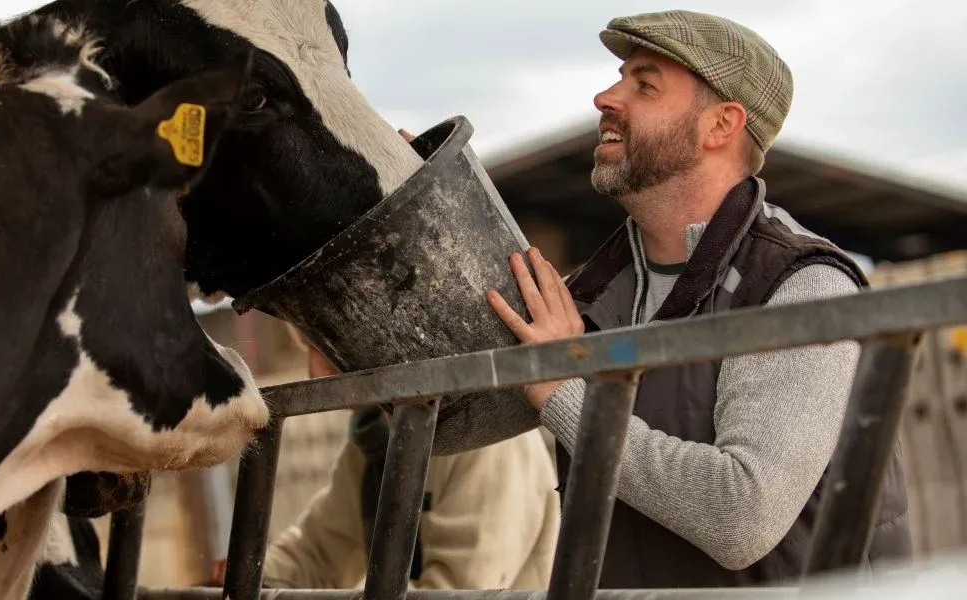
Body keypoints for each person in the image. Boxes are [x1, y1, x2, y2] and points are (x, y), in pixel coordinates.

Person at [481, 9, 911, 588]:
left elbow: (741, 516)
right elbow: (455, 420)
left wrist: (565, 393)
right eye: (618, 77)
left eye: (644, 84)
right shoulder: (595, 294)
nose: (605, 97)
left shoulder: (799, 285)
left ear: (720, 126)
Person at [213, 331, 561, 591]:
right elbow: (319, 551)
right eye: (308, 350)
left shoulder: (486, 442)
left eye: (322, 346)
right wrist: (251, 575)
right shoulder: (373, 441)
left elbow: (462, 591)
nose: (314, 372)